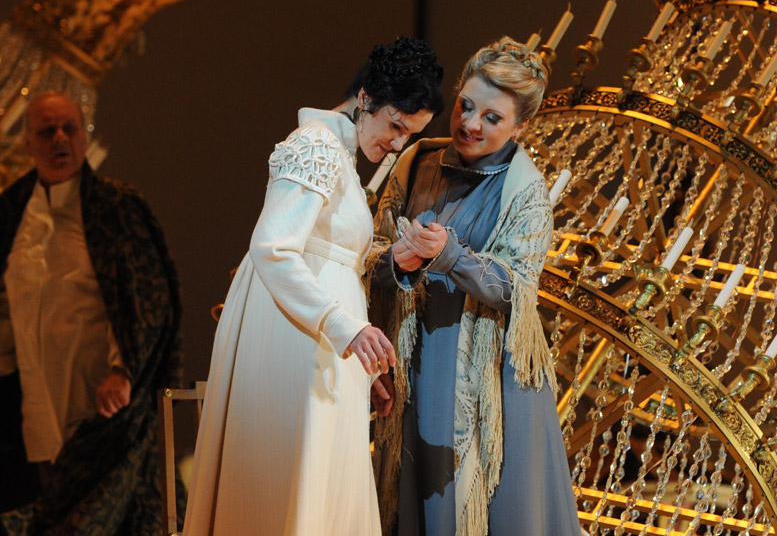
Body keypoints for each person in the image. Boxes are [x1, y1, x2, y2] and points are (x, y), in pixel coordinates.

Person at [184, 36, 444, 536]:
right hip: (297, 336)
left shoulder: (339, 153)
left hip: (321, 340)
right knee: (290, 482)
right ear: (366, 98)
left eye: (409, 135)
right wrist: (346, 329)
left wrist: (359, 363)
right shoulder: (318, 144)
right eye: (396, 126)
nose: (397, 145)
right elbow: (273, 248)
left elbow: (332, 261)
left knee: (318, 484)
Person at [369, 38, 581, 536]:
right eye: (466, 105)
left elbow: (517, 290)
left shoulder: (526, 192)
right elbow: (371, 250)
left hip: (484, 377)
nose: (470, 124)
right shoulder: (416, 161)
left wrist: (452, 256)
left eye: (492, 118)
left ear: (521, 126)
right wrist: (396, 260)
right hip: (413, 359)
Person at [0, 91, 183, 534]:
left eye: (70, 129)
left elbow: (150, 298)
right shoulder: (11, 214)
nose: (60, 139)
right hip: (36, 404)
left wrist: (124, 371)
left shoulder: (117, 208)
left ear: (85, 138)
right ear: (29, 144)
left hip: (105, 410)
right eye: (48, 131)